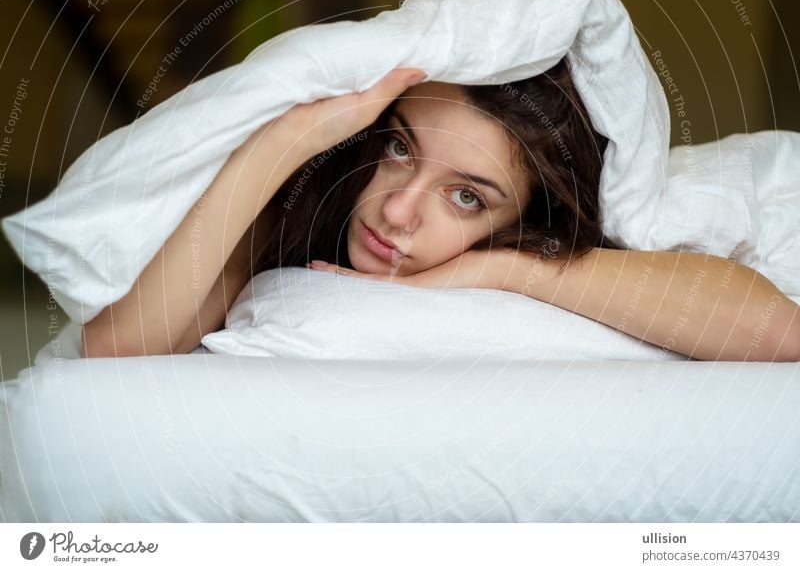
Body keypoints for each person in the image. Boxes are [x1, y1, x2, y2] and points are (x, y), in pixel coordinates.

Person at [80, 62, 800, 361]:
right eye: (399, 148)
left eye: (466, 196)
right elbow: (115, 350)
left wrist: (504, 268)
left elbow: (779, 330)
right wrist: (286, 141)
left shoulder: (532, 240)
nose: (396, 211)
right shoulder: (308, 208)